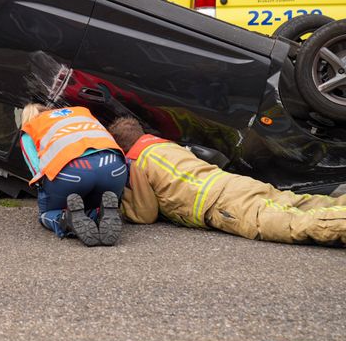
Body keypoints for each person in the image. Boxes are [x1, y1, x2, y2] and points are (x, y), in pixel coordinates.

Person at [108, 116, 346, 246]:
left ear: (120, 146)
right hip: (234, 183)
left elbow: (145, 212)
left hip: (221, 204)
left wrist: (122, 205)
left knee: (292, 224)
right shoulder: (163, 145)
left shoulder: (136, 161)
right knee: (305, 204)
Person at [20, 103, 127, 246]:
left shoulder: (30, 129)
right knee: (94, 198)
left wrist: (44, 192)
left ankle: (65, 219)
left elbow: (37, 170)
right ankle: (99, 212)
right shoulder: (81, 113)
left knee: (46, 214)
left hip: (73, 171)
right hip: (114, 167)